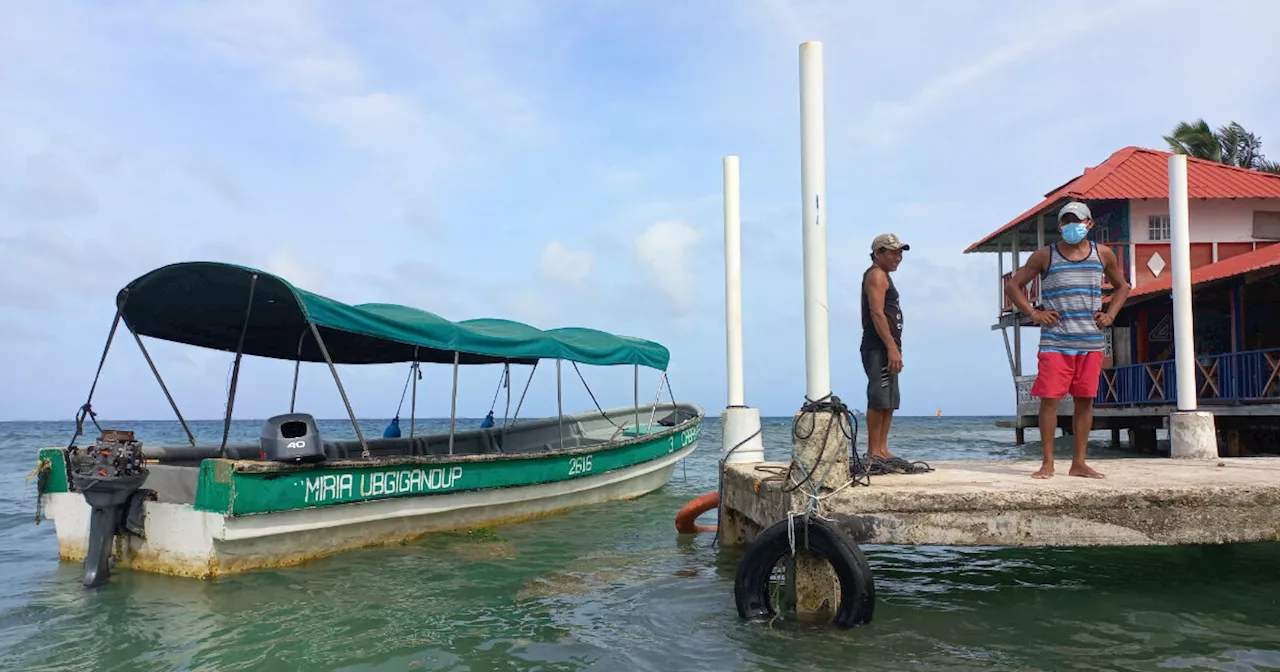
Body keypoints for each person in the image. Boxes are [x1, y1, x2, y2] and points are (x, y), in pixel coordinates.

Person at [1005, 201, 1130, 479]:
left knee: (1085, 400)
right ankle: (1047, 463)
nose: (1072, 226)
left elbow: (1123, 287)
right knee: (1049, 400)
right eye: (1066, 221)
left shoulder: (1103, 254)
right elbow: (1013, 286)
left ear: (1089, 224)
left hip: (1090, 342)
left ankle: (1079, 463)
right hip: (1055, 341)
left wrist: (1110, 315)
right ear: (1060, 226)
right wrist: (1034, 313)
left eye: (1077, 220)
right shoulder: (1045, 256)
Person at [861, 233, 908, 465]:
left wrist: (895, 346)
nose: (898, 257)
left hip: (889, 345)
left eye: (900, 253)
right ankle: (873, 451)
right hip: (878, 346)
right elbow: (876, 313)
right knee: (879, 397)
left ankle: (882, 447)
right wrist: (890, 346)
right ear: (878, 253)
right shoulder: (876, 275)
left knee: (889, 399)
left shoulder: (885, 276)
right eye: (893, 252)